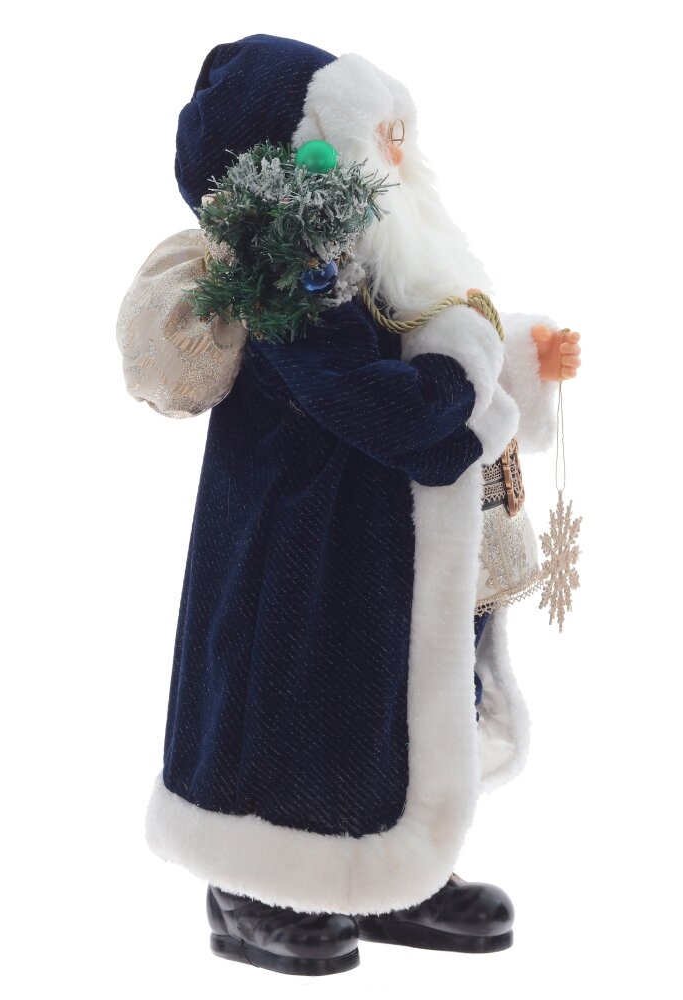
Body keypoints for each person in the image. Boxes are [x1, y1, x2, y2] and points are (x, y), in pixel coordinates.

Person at [119, 33, 582, 976]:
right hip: (300, 537)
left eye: (396, 133)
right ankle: (253, 882)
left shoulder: (373, 254)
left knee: (387, 703)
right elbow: (377, 401)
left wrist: (515, 354)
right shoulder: (283, 268)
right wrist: (470, 395)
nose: (395, 155)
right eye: (374, 134)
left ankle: (391, 871)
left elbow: (416, 332)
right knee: (289, 694)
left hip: (384, 538)